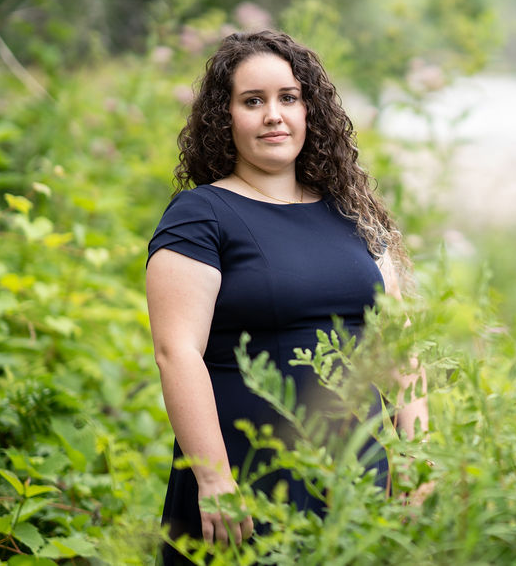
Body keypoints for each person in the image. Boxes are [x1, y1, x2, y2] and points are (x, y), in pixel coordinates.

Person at [146, 30, 427, 563]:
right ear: (225, 118)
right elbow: (176, 352)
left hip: (357, 479)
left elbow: (400, 346)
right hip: (248, 479)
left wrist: (416, 456)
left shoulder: (351, 215)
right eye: (253, 101)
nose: (273, 115)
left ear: (309, 111)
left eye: (288, 98)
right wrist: (214, 478)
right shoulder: (200, 216)